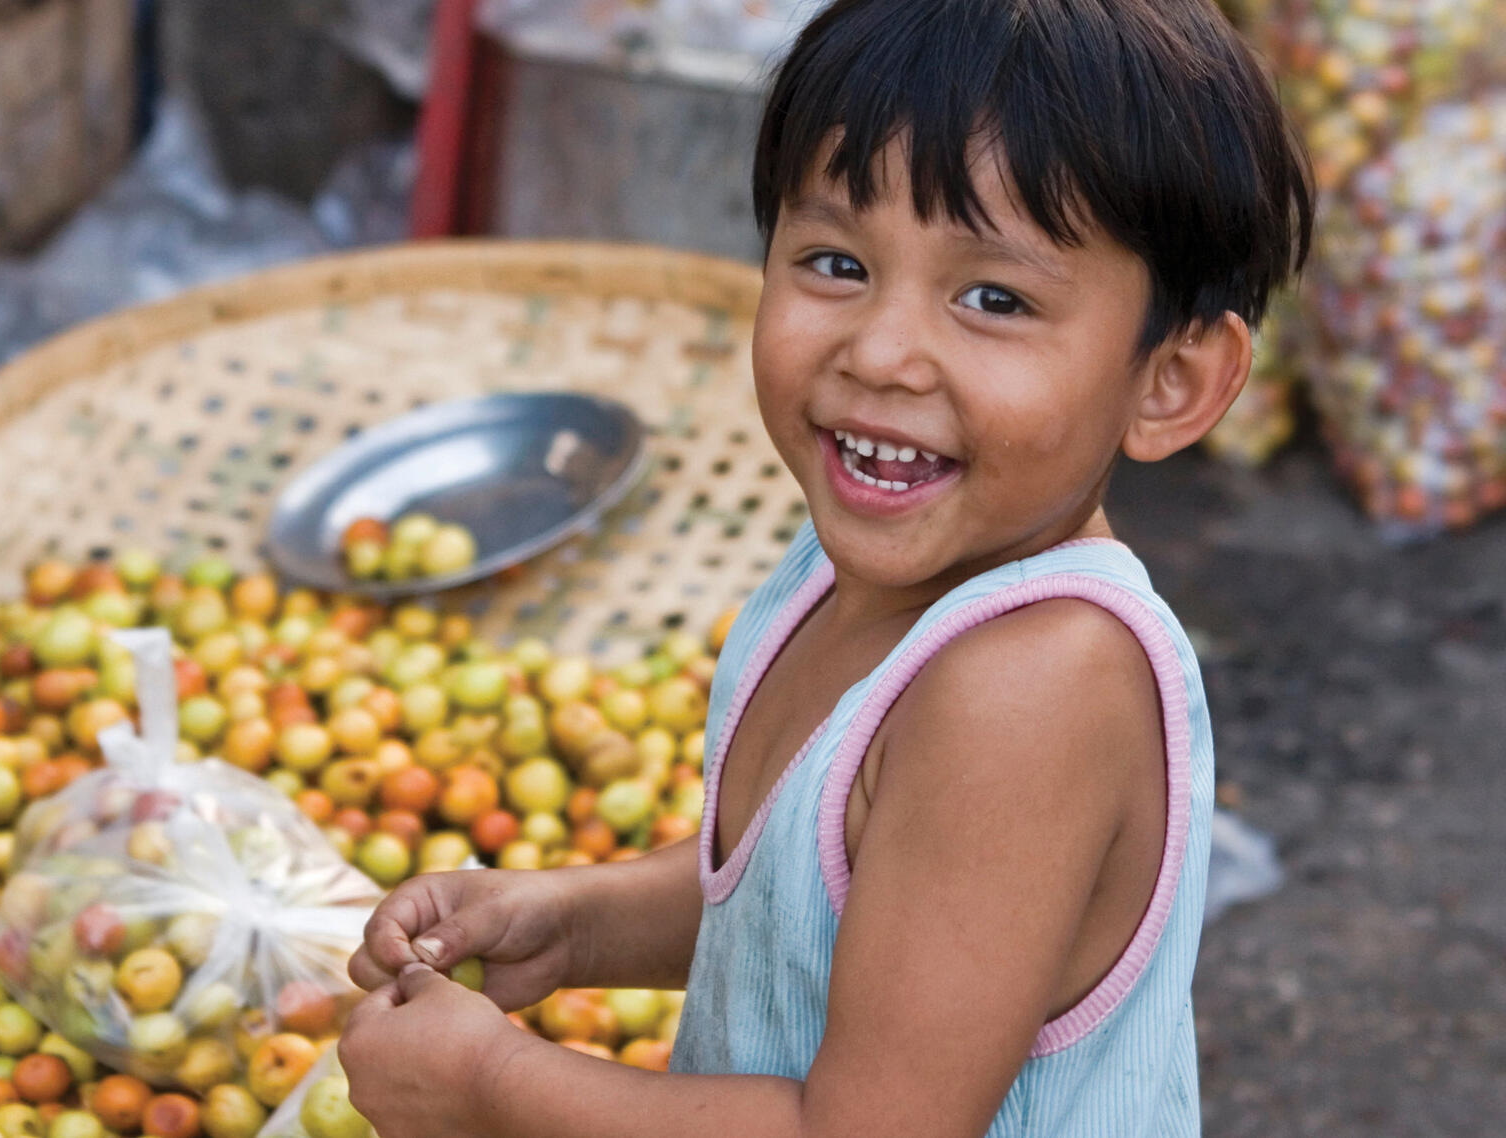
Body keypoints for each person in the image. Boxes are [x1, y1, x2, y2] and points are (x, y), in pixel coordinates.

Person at [335, 1, 1312, 1135]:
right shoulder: (850, 565)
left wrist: (492, 1086)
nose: (881, 353)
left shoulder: (1031, 689)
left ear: (1170, 383)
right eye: (836, 263)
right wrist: (571, 922)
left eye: (993, 299)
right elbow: (801, 900)